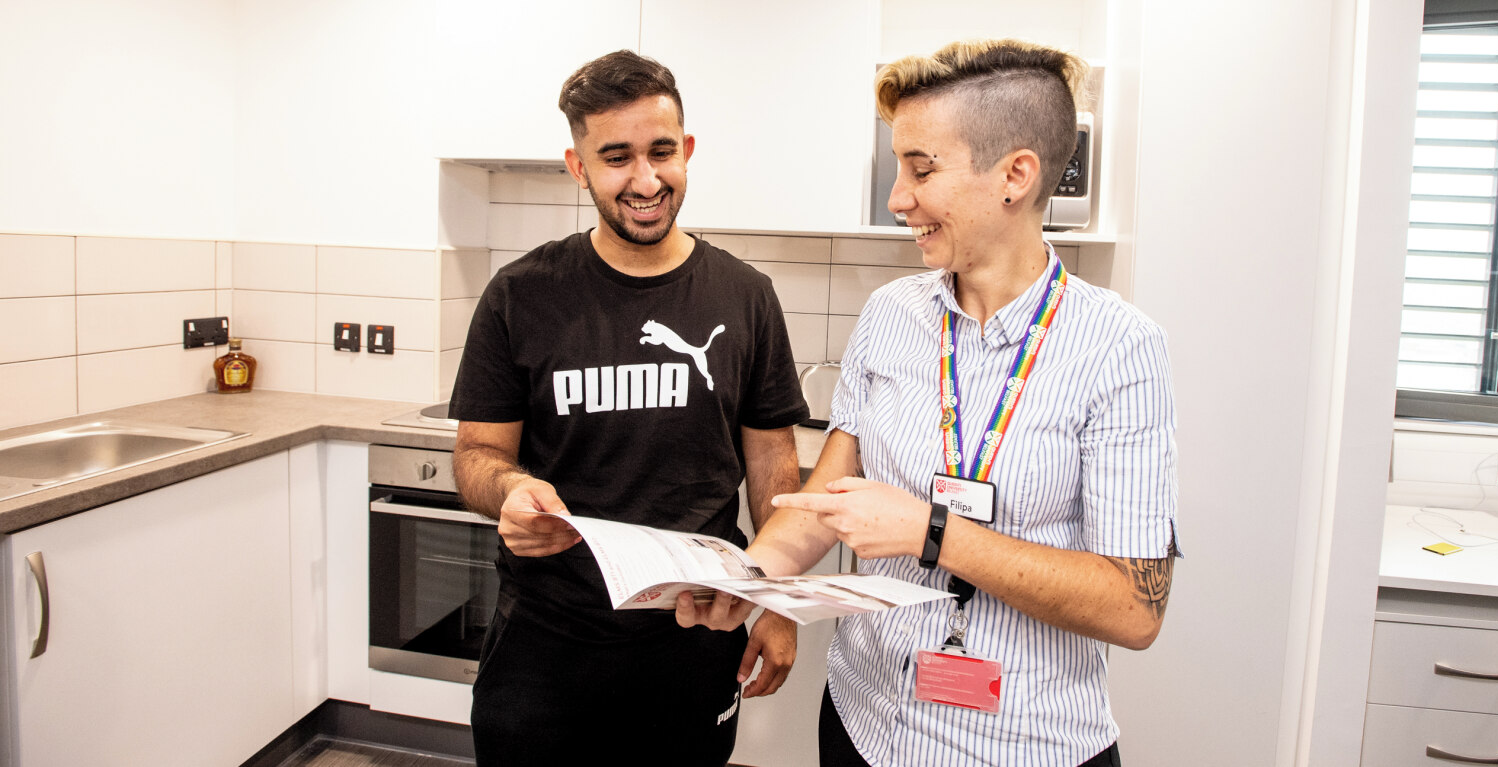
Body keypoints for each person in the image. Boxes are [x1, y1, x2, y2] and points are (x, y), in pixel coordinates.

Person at [678, 39, 1180, 766]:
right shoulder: (889, 314)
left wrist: (932, 530)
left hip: (1023, 745)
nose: (897, 197)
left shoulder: (1121, 348)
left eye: (921, 168)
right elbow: (825, 500)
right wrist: (750, 583)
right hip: (863, 720)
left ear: (1014, 174)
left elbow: (1134, 607)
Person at [451, 49, 811, 766]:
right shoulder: (520, 294)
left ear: (689, 151)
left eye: (661, 152)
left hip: (694, 640)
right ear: (577, 165)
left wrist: (779, 601)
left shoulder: (746, 297)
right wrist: (512, 492)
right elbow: (476, 456)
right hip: (546, 646)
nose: (646, 180)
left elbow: (773, 460)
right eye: (616, 157)